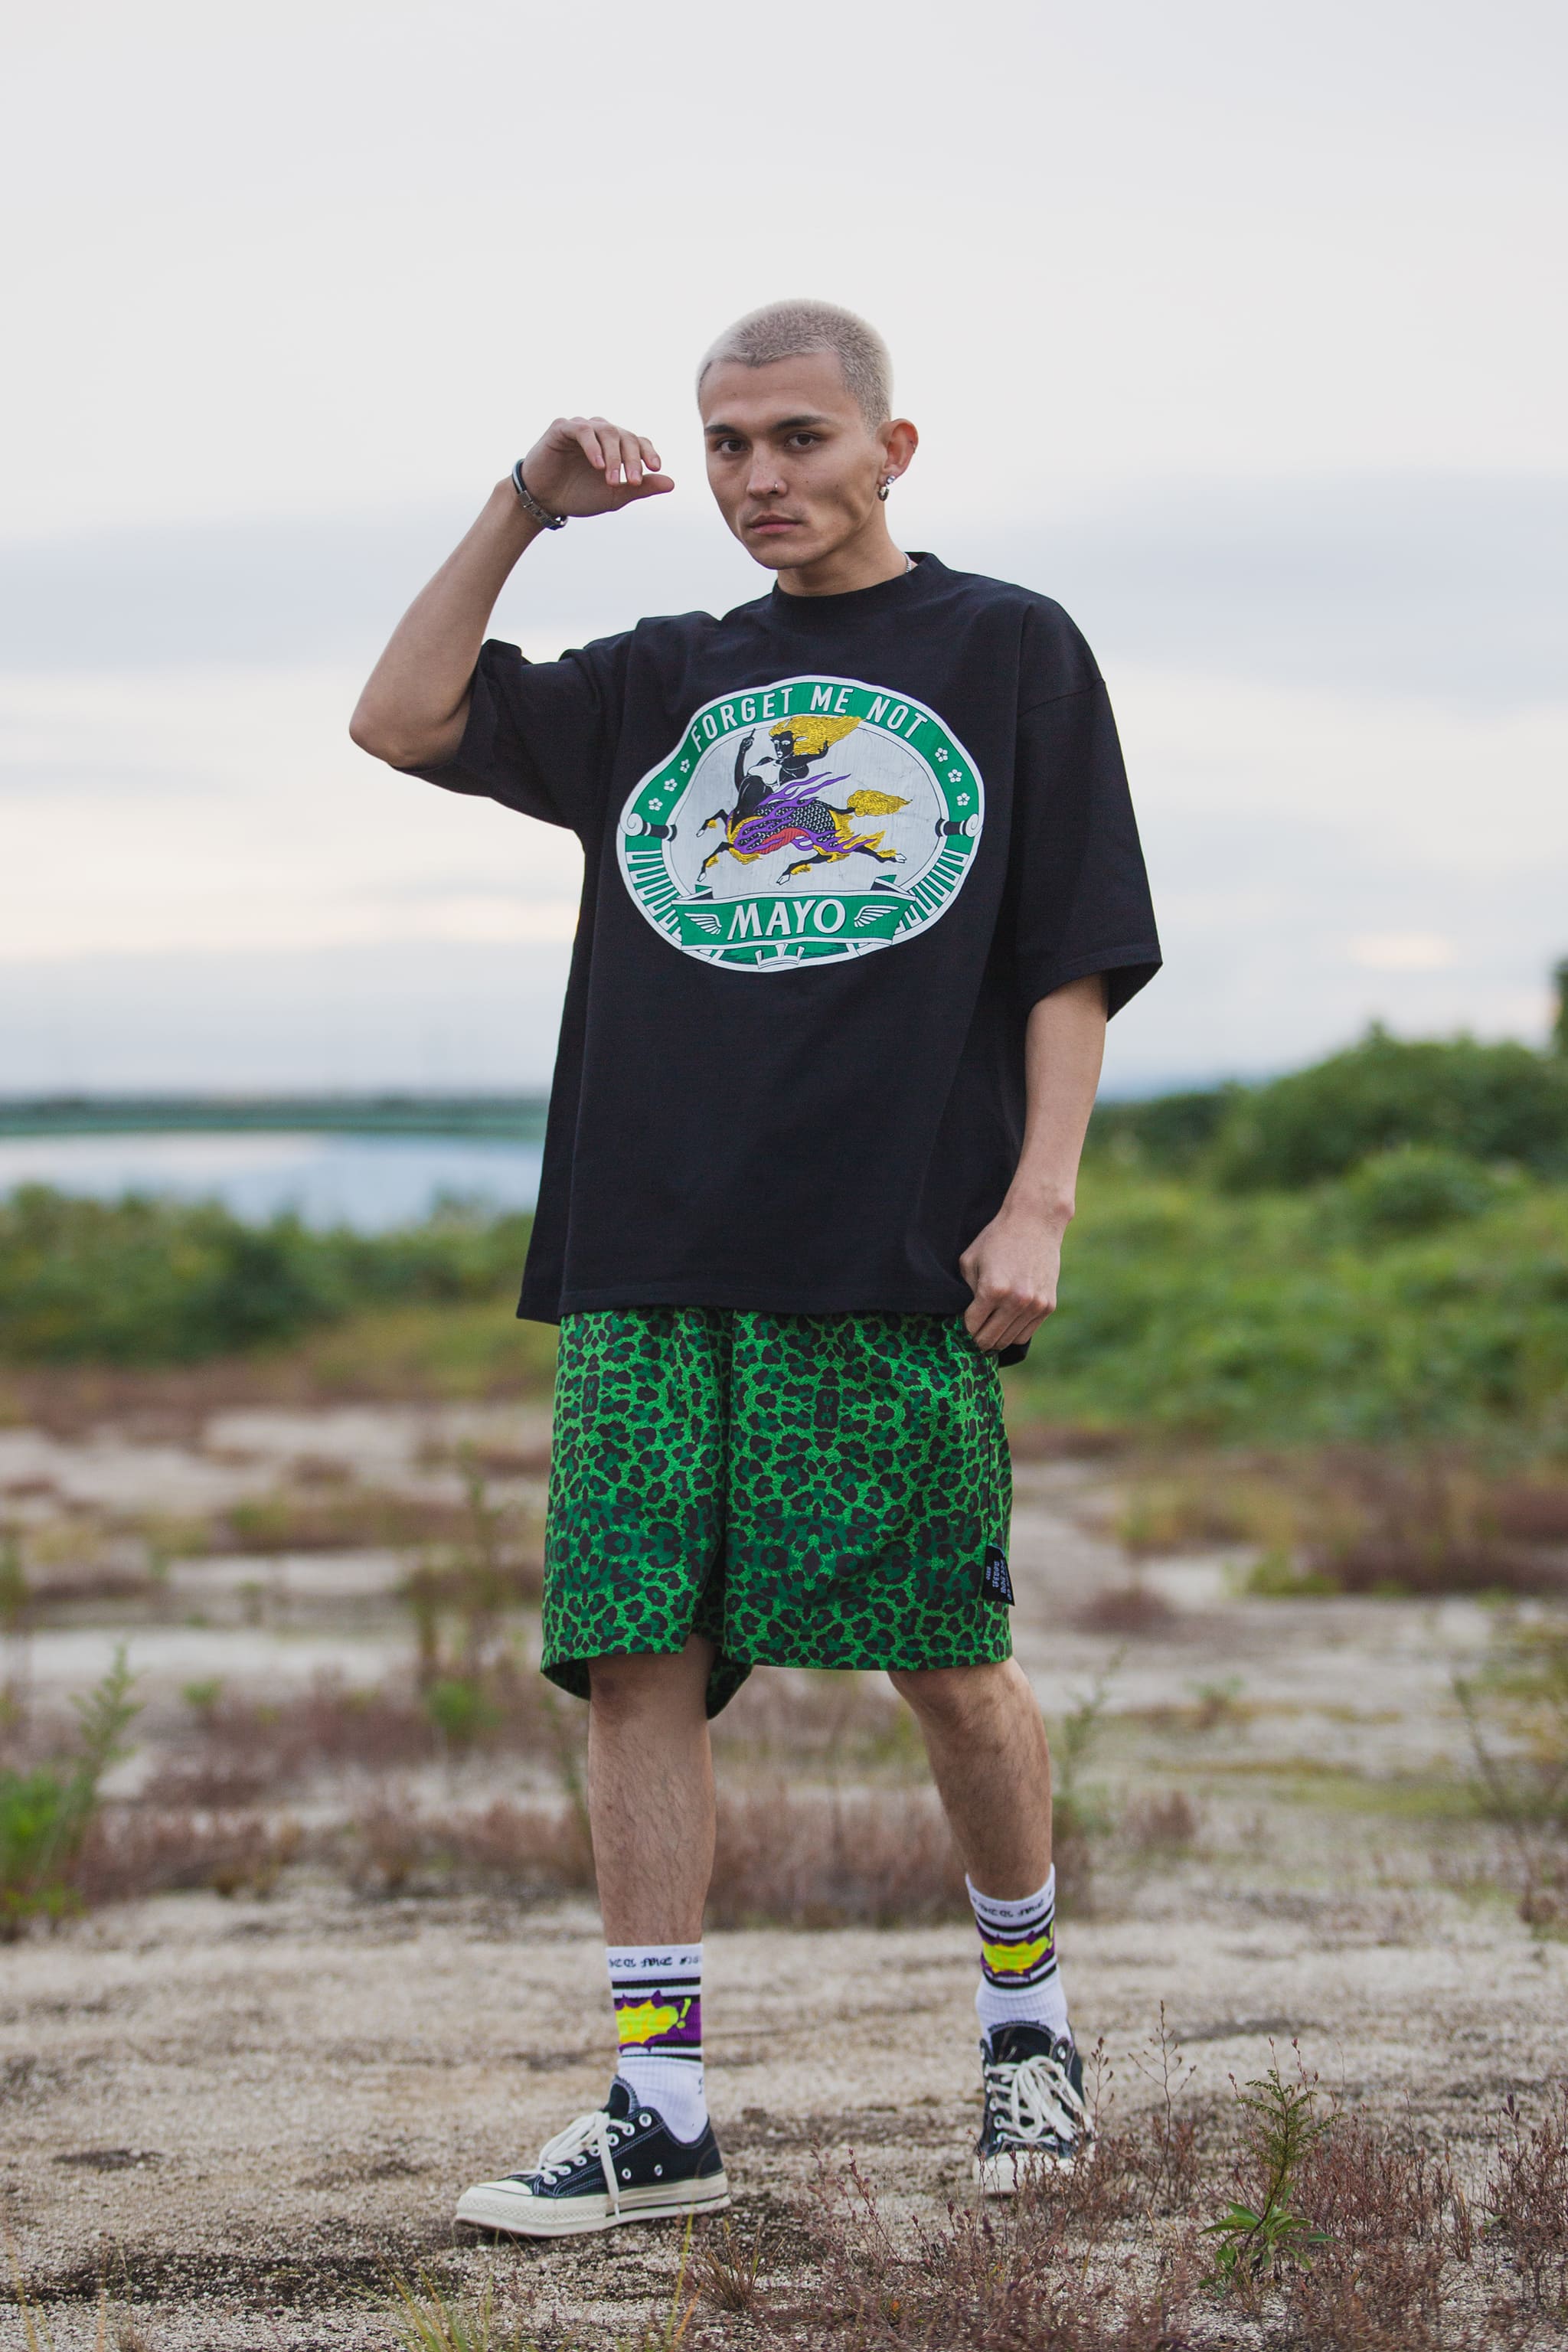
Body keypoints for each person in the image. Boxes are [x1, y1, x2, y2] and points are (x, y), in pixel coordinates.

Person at [349, 299, 1160, 2238]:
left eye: (798, 437)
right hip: (643, 1241)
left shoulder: (1005, 647)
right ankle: (658, 2111)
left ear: (892, 448)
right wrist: (525, 503)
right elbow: (402, 718)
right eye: (726, 444)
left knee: (941, 1656)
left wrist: (1039, 1200)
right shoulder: (664, 680)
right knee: (636, 1653)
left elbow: (1068, 949)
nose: (757, 478)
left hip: (884, 1240)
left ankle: (1028, 2036)